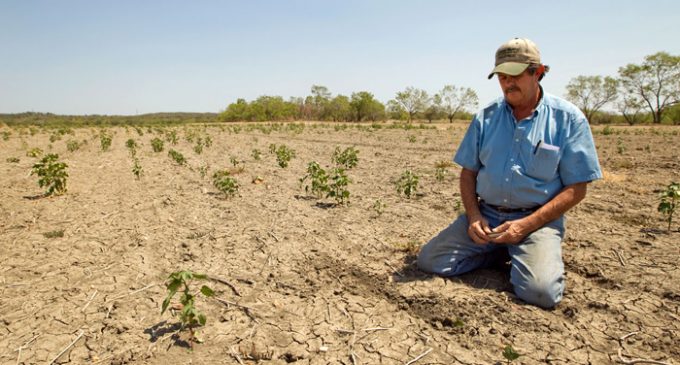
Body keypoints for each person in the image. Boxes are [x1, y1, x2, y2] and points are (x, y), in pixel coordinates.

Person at [417, 38, 602, 309]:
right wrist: (474, 216)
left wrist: (524, 226)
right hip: (487, 216)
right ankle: (497, 249)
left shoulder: (568, 119)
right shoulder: (486, 117)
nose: (507, 83)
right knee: (430, 261)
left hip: (535, 222)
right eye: (501, 76)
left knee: (541, 294)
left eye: (514, 75)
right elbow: (468, 173)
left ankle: (522, 252)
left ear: (537, 73)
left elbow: (577, 188)